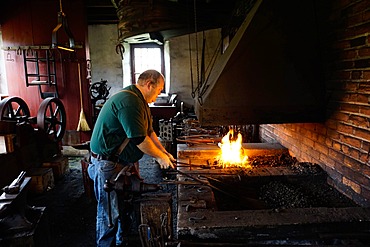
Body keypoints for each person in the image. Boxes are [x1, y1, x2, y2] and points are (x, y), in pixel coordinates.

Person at [88, 69, 175, 246]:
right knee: (109, 214)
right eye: (158, 90)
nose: (158, 95)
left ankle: (121, 242)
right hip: (107, 163)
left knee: (123, 209)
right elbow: (139, 139)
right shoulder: (129, 101)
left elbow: (149, 132)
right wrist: (158, 158)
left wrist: (164, 153)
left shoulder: (140, 102)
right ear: (149, 84)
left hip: (121, 162)